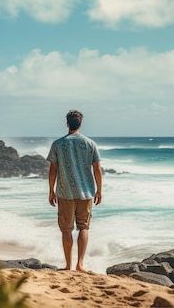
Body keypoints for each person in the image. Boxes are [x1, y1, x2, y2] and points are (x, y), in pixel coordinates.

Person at [47, 110, 102, 272]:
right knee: (83, 227)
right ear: (80, 124)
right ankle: (80, 264)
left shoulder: (58, 144)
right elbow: (97, 169)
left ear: (67, 124)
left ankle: (68, 265)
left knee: (66, 230)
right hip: (86, 192)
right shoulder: (90, 143)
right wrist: (99, 190)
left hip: (65, 192)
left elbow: (52, 170)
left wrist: (51, 191)